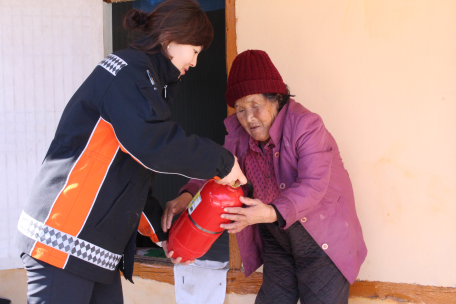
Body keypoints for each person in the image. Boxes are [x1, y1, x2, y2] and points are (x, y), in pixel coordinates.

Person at [16, 1, 246, 303]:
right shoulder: (128, 72)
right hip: (63, 239)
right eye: (195, 50)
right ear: (171, 36)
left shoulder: (146, 79)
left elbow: (131, 177)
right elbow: (152, 143)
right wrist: (223, 162)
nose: (195, 62)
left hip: (94, 251)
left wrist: (164, 236)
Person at [164, 50, 367, 304]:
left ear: (276, 99)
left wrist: (267, 213)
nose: (248, 118)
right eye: (240, 109)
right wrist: (187, 196)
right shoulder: (238, 134)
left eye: (255, 106)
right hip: (278, 238)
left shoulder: (307, 125)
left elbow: (313, 185)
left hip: (320, 238)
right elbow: (219, 171)